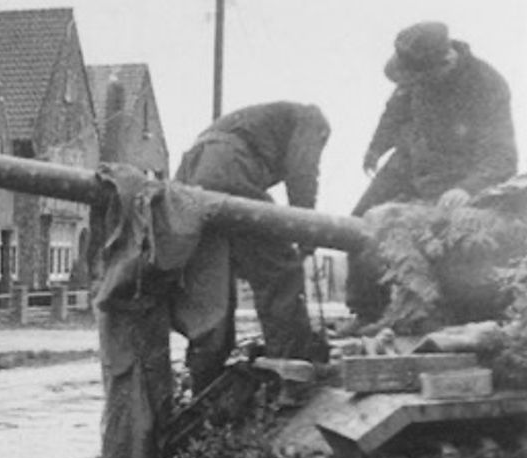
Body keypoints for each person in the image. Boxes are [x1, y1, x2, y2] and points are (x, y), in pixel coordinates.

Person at [346, 20, 518, 328]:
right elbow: (395, 110)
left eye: (419, 78)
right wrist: (376, 147)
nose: (412, 83)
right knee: (358, 224)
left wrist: (468, 187)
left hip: (456, 172)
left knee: (442, 238)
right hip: (410, 159)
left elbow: (501, 153)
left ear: (445, 61)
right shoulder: (413, 68)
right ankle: (365, 313)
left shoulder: (486, 84)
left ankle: (435, 312)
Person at [173, 101, 331, 392]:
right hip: (227, 167)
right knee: (280, 267)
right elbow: (302, 171)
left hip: (190, 171)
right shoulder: (311, 120)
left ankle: (205, 380)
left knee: (215, 282)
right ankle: (291, 371)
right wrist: (306, 232)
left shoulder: (262, 123)